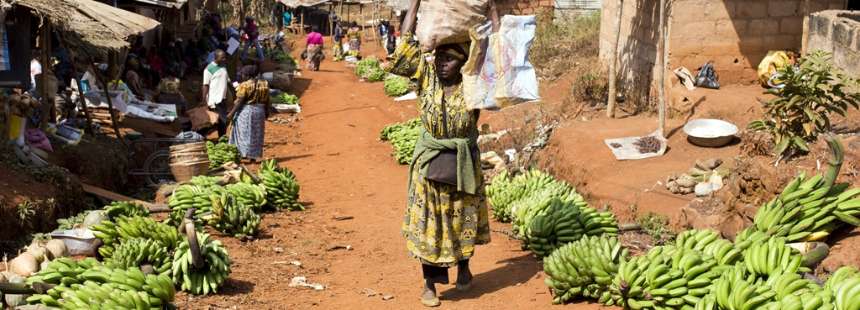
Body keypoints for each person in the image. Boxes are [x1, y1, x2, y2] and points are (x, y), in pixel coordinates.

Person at [387, 0, 497, 306]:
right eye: (440, 58)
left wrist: (491, 12)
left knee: (462, 220)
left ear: (464, 63)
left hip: (463, 162)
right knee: (429, 224)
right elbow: (404, 48)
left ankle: (464, 268)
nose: (441, 64)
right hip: (431, 161)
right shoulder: (426, 76)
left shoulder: (475, 85)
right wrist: (415, 5)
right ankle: (430, 285)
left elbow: (496, 52)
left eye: (449, 59)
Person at [227, 64, 269, 162]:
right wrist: (266, 111)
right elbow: (267, 99)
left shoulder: (245, 85)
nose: (242, 76)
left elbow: (240, 101)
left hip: (246, 112)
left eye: (243, 74)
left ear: (247, 75)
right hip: (260, 111)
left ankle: (244, 153)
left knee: (244, 133)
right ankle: (254, 155)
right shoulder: (264, 83)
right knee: (257, 133)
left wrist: (231, 113)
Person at [202, 49, 231, 137]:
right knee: (221, 121)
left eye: (225, 57)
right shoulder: (209, 69)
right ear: (215, 57)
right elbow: (205, 85)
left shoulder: (223, 66)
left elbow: (228, 80)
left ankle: (219, 138)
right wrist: (204, 99)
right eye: (222, 58)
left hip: (223, 98)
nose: (224, 59)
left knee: (219, 120)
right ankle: (221, 139)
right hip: (215, 99)